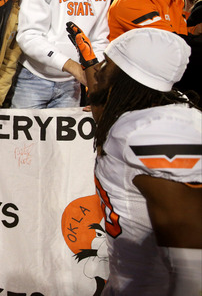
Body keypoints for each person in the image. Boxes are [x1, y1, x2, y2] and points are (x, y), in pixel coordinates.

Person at [67, 23, 201, 295]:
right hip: (125, 283)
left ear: (128, 77)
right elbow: (105, 109)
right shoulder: (141, 111)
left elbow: (191, 250)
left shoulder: (154, 130)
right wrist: (88, 59)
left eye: (108, 64)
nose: (99, 70)